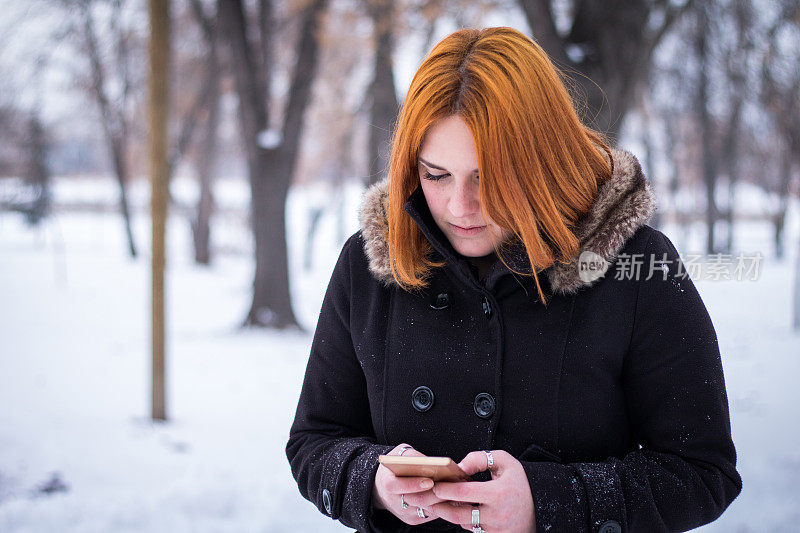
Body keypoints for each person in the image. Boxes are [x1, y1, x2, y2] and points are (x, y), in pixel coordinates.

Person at [286, 27, 741, 533]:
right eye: (437, 175)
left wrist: (548, 502)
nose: (461, 208)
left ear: (542, 160)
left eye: (490, 177)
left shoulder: (634, 265)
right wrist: (372, 479)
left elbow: (703, 473)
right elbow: (315, 439)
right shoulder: (371, 264)